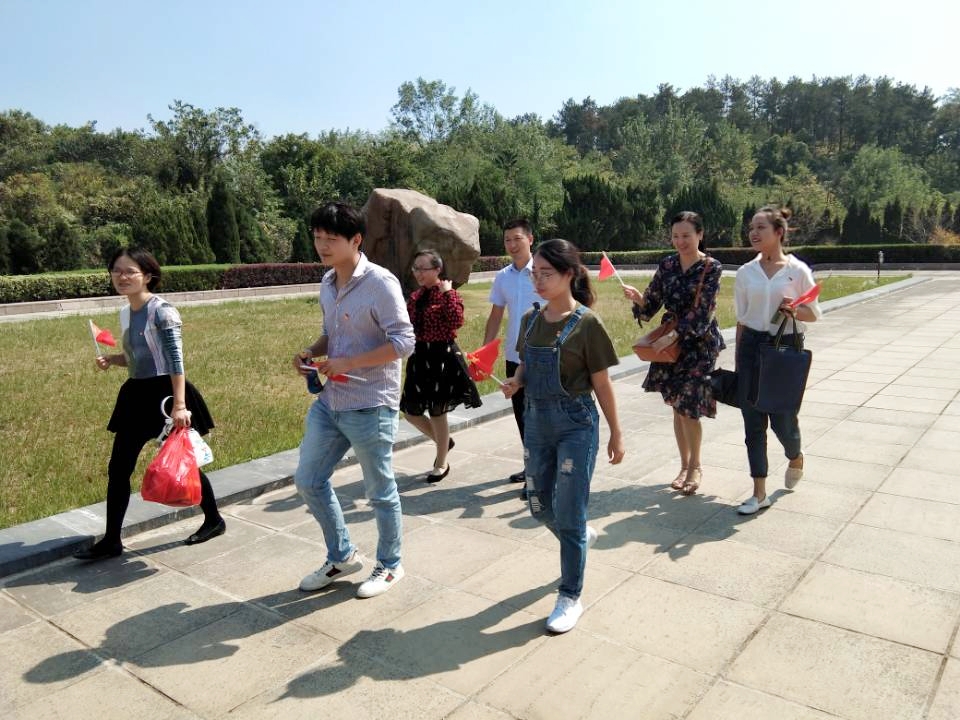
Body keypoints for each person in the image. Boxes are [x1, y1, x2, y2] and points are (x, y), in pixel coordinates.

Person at [502, 239, 625, 634]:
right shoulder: (530, 319)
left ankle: (570, 594)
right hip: (537, 425)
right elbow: (525, 366)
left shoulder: (587, 324)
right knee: (539, 506)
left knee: (569, 513)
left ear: (569, 274)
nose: (538, 281)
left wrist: (616, 433)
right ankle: (578, 535)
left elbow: (602, 384)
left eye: (546, 274)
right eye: (534, 274)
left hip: (576, 425)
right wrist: (516, 382)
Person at [293, 201, 415, 597]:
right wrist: (311, 352)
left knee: (379, 491)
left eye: (331, 238)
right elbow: (332, 333)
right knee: (308, 480)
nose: (322, 246)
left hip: (370, 402)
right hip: (331, 401)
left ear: (356, 240)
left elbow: (404, 341)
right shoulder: (328, 282)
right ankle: (342, 555)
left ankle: (391, 564)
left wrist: (350, 362)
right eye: (317, 237)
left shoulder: (381, 283)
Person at [74, 248, 224, 561]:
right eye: (117, 271)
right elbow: (136, 357)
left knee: (182, 462)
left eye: (130, 271)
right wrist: (113, 359)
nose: (122, 277)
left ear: (148, 276)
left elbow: (175, 361)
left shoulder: (163, 312)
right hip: (136, 395)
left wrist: (180, 406)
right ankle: (112, 540)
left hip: (166, 395)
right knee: (119, 468)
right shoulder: (125, 312)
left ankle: (213, 520)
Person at [622, 212, 724, 496]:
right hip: (669, 347)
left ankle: (695, 467)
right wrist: (638, 299)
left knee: (689, 405)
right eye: (676, 236)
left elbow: (703, 312)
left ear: (700, 235)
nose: (680, 241)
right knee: (677, 406)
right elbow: (652, 305)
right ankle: (684, 465)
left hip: (699, 343)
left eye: (686, 236)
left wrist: (673, 335)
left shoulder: (711, 267)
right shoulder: (667, 264)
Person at [734, 206, 821, 515]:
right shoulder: (746, 272)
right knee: (753, 423)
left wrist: (794, 309)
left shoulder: (797, 271)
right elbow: (742, 319)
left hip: (785, 349)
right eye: (751, 228)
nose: (753, 233)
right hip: (751, 348)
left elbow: (814, 313)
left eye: (761, 228)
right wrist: (739, 362)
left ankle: (795, 455)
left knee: (783, 421)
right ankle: (759, 493)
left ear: (779, 232)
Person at [400, 249, 482, 481]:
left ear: (437, 269)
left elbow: (457, 321)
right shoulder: (416, 297)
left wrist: (448, 294)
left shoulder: (448, 293)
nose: (418, 273)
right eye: (415, 269)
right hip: (419, 357)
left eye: (423, 269)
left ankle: (441, 462)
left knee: (437, 412)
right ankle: (444, 442)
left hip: (442, 358)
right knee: (410, 412)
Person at [483, 218, 544, 491]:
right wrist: (484, 352)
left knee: (542, 416)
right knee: (522, 415)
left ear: (530, 239)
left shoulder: (543, 272)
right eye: (507, 240)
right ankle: (532, 466)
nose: (512, 244)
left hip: (543, 356)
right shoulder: (503, 277)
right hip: (514, 356)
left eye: (517, 239)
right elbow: (496, 315)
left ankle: (542, 474)